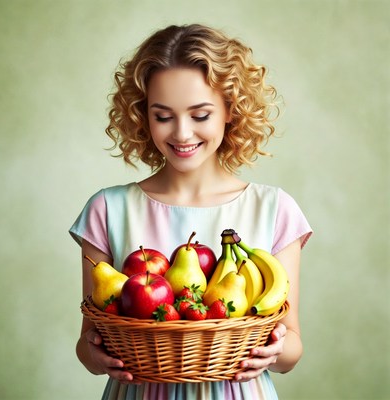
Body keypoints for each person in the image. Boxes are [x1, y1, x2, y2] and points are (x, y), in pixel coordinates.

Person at [69, 23, 312, 400]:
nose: (182, 134)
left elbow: (292, 347)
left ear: (231, 110)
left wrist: (276, 351)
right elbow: (87, 343)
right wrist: (97, 356)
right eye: (163, 116)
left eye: (200, 115)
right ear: (142, 115)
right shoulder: (108, 209)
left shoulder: (274, 209)